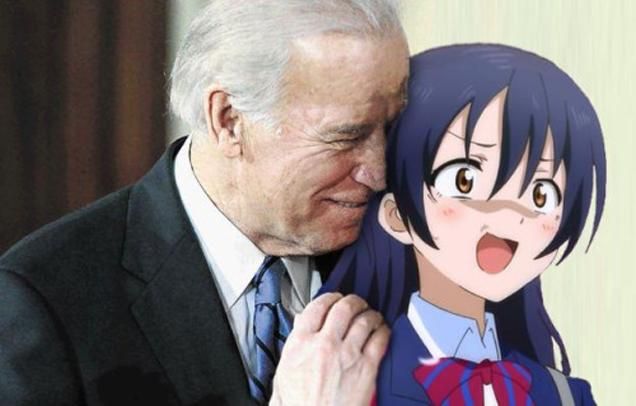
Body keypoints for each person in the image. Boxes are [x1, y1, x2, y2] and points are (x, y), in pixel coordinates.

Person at [0, 1, 409, 405]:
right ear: (228, 119)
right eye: (346, 137)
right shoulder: (44, 304)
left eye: (391, 127)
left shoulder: (415, 257)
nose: (379, 172)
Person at [321, 44, 605, 405]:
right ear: (396, 215)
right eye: (464, 181)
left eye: (540, 194)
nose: (508, 214)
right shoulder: (345, 379)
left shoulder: (566, 395)